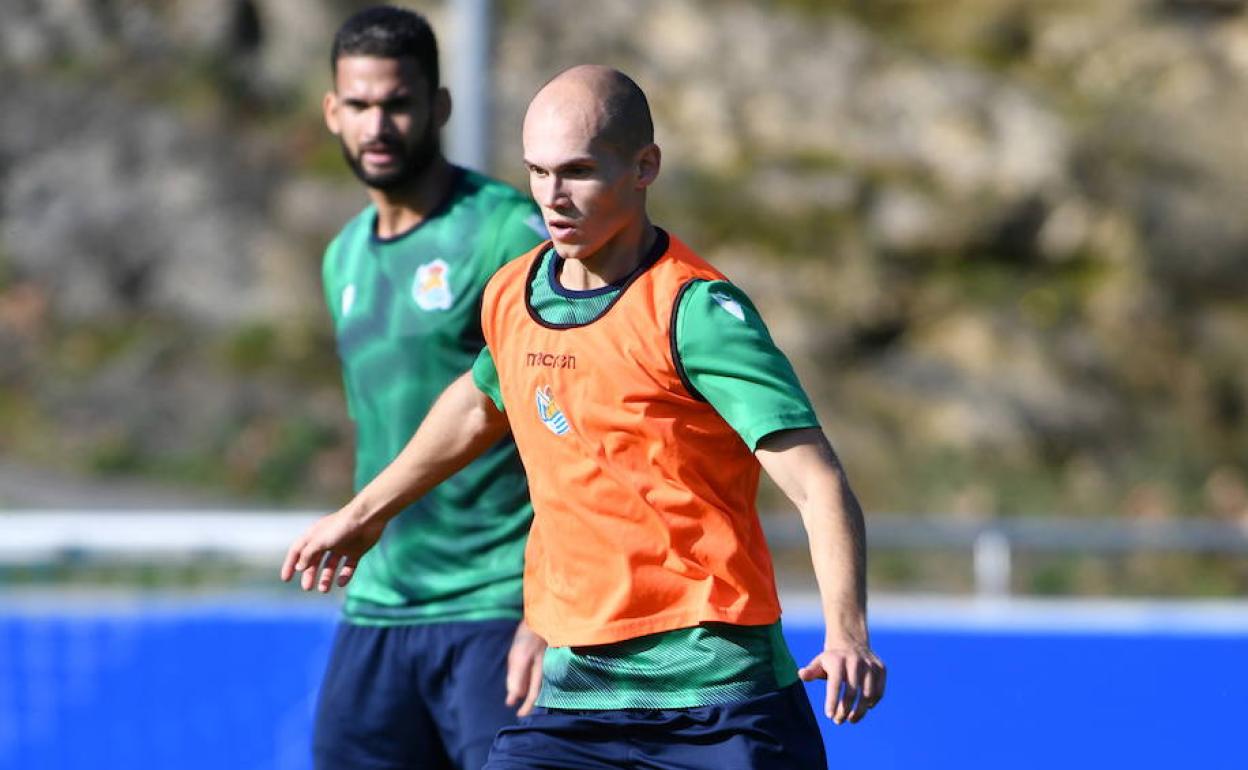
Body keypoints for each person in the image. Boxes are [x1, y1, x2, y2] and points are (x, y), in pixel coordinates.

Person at [284, 64, 886, 769]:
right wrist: (367, 513)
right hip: (576, 701)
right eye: (537, 172)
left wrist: (847, 632)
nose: (553, 197)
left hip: (717, 693)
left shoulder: (695, 311)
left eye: (577, 172)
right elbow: (480, 402)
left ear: (644, 167)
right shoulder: (513, 292)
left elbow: (818, 485)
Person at [304, 6, 547, 769]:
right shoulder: (343, 256)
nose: (379, 124)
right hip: (379, 603)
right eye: (360, 104)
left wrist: (548, 610)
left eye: (398, 103)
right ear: (333, 111)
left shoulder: (506, 233)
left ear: (438, 107)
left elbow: (570, 418)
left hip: (495, 604)